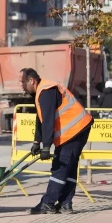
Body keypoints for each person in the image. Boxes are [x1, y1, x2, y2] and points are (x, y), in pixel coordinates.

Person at [22, 67, 94, 215]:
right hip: (76, 130)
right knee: (69, 166)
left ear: (31, 80)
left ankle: (48, 203)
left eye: (22, 82)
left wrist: (46, 147)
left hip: (75, 130)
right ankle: (65, 204)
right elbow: (40, 119)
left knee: (60, 167)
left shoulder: (47, 91)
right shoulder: (41, 91)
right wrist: (37, 142)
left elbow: (48, 121)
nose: (21, 86)